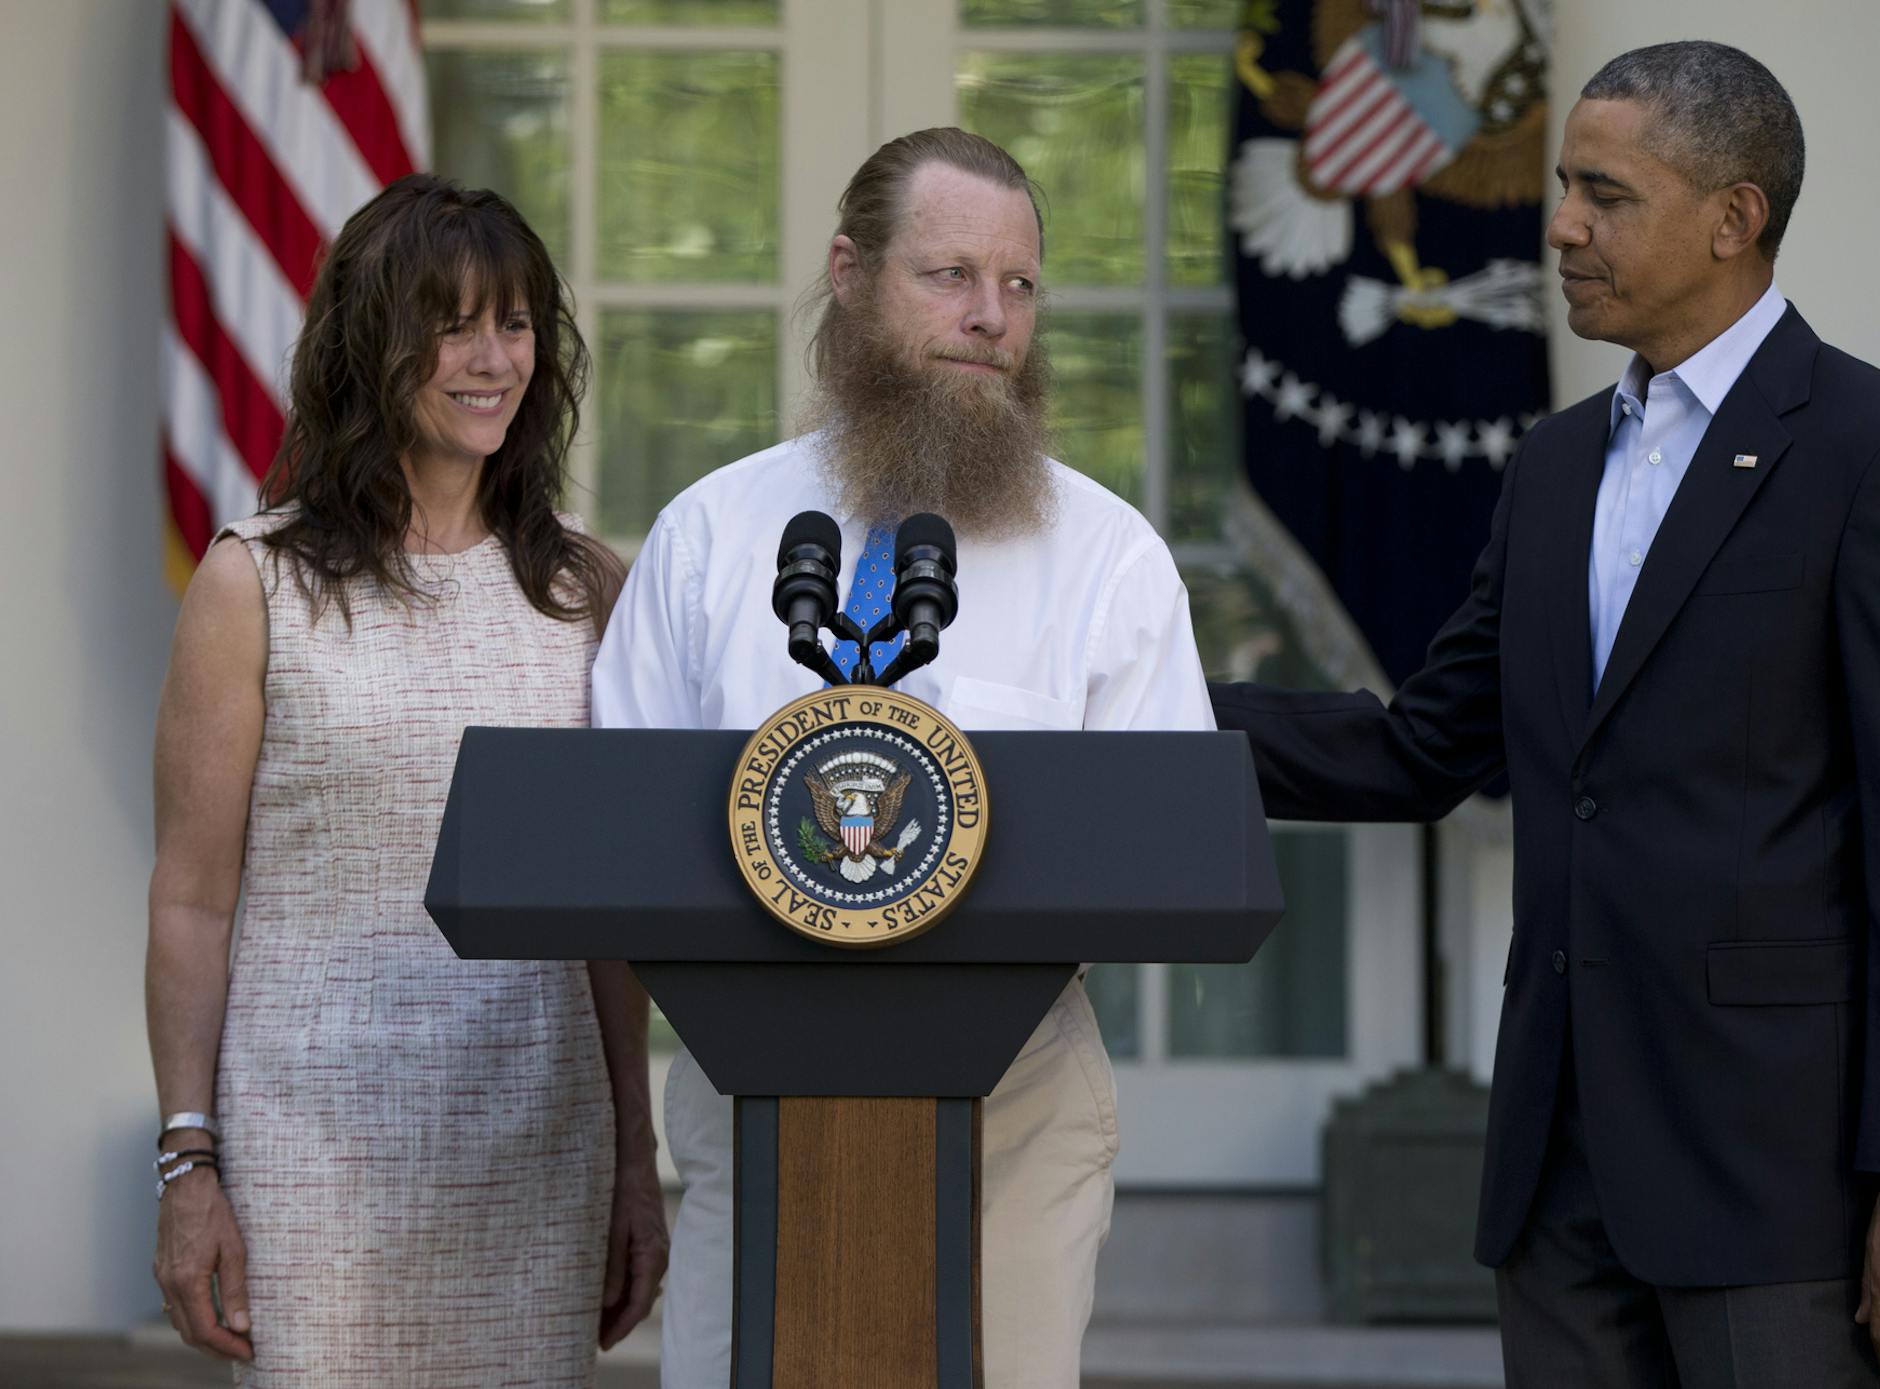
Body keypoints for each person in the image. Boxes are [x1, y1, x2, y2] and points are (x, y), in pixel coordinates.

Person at [1212, 42, 1880, 1389]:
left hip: (1782, 1181)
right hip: (1557, 1172)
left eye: (1605, 193)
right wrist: (1142, 721)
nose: (1561, 226)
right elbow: (1425, 746)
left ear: (1734, 218)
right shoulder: (1548, 465)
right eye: (1562, 187)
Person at [590, 127, 1212, 1389]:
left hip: (1019, 1104)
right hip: (748, 1087)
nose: (991, 317)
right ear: (851, 272)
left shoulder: (1110, 555)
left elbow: (1171, 844)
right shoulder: (712, 535)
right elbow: (617, 832)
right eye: (949, 276)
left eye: (1021, 285)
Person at [146, 174, 668, 1386]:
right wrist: (189, 1164)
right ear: (372, 344)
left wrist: (634, 1163)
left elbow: (610, 920)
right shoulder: (252, 584)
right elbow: (191, 901)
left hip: (538, 1149)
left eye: (518, 321)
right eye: (453, 323)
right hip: (310, 1146)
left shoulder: (588, 590)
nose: (494, 359)